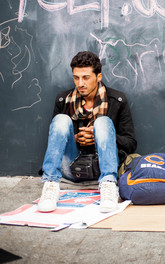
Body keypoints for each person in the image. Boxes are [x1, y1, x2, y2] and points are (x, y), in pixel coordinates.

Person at [38, 51, 137, 213]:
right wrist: (76, 139)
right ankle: (50, 186)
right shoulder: (63, 100)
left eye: (86, 77)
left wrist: (96, 137)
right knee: (61, 120)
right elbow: (57, 138)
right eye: (76, 77)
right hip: (70, 166)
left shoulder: (116, 101)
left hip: (102, 165)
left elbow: (131, 143)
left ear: (98, 77)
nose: (80, 83)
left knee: (103, 122)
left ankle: (108, 185)